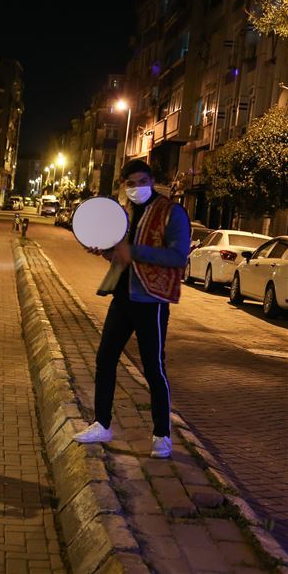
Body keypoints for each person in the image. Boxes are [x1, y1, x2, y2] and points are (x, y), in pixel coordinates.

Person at [74, 159, 190, 458]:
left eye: (140, 181)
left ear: (151, 180)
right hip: (122, 297)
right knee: (105, 359)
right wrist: (106, 251)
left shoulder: (171, 212)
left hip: (151, 301)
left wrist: (132, 251)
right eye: (130, 183)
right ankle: (101, 423)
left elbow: (178, 256)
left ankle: (162, 436)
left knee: (154, 368)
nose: (135, 188)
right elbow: (121, 256)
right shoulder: (123, 213)